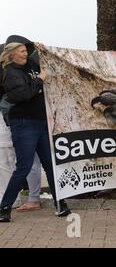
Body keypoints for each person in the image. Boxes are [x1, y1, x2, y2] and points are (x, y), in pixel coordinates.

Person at [0, 42, 71, 222]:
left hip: (40, 123)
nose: (25, 54)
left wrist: (40, 48)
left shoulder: (30, 65)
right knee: (23, 167)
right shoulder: (10, 72)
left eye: (26, 51)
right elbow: (23, 94)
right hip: (24, 124)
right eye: (22, 52)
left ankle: (60, 203)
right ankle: (4, 208)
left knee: (50, 163)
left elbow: (40, 57)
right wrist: (40, 80)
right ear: (12, 55)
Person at [0, 36, 43, 212]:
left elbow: (24, 93)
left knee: (12, 160)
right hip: (23, 116)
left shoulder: (27, 64)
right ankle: (30, 198)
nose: (25, 53)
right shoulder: (28, 65)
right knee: (27, 160)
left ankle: (15, 199)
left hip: (16, 117)